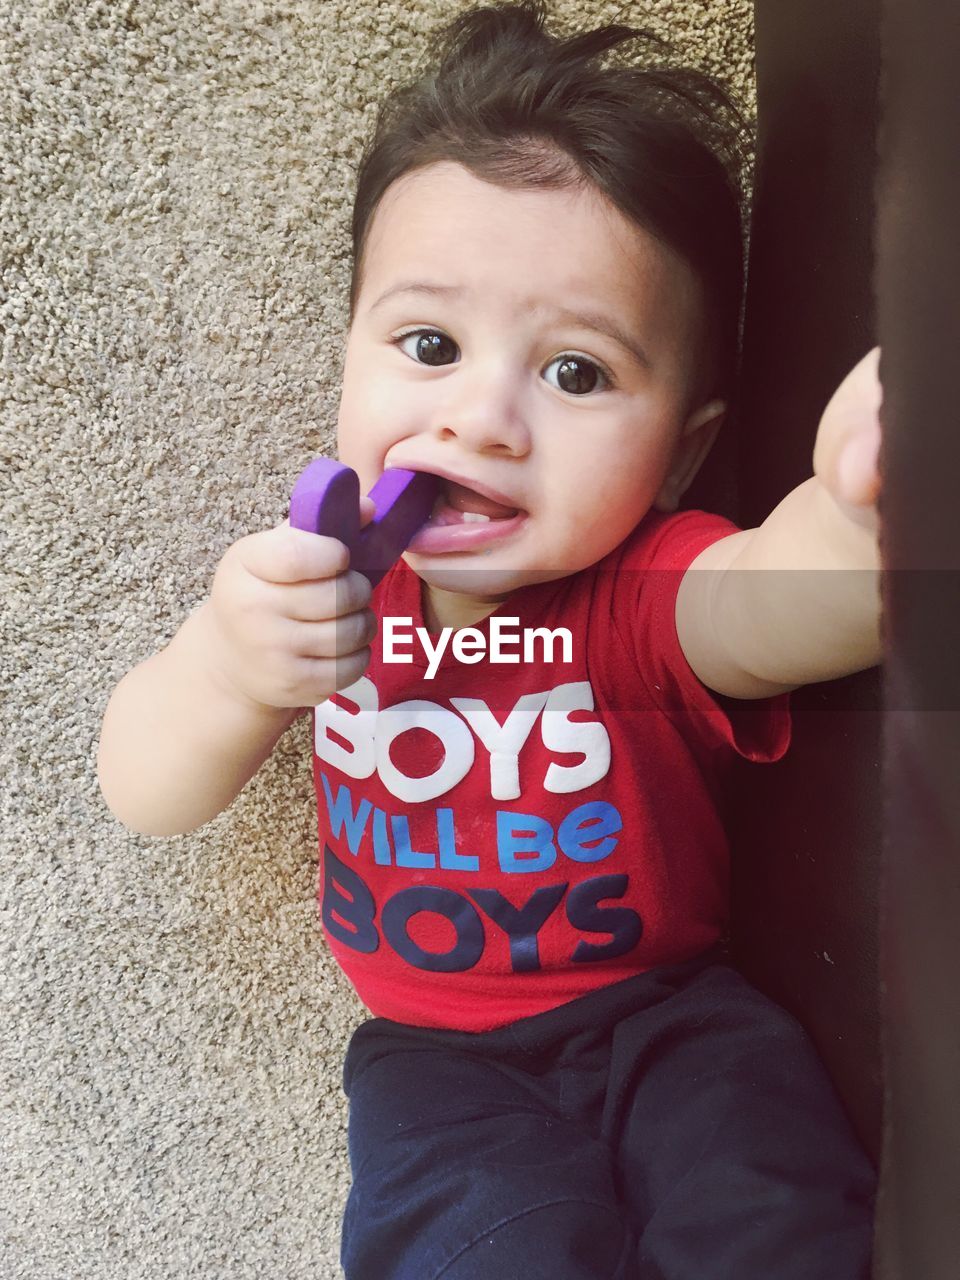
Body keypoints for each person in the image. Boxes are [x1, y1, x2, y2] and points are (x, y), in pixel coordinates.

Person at [97, 3, 881, 1276]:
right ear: (349, 363)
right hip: (434, 1059)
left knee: (773, 1204)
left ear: (682, 448)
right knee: (478, 1246)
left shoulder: (637, 592)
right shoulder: (321, 591)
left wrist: (858, 517)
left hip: (673, 1014)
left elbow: (773, 602)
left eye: (575, 372)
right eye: (427, 345)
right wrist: (224, 669)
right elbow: (143, 787)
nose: (481, 418)